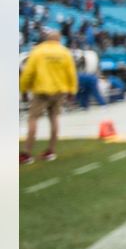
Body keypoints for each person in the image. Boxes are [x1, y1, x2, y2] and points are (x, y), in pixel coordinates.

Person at [20, 29, 77, 164]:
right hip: (59, 91)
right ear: (59, 39)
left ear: (46, 39)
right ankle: (50, 151)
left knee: (33, 119)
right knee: (54, 119)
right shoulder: (65, 52)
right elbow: (71, 74)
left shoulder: (38, 51)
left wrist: (23, 89)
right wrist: (72, 91)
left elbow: (28, 73)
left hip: (41, 90)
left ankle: (27, 153)